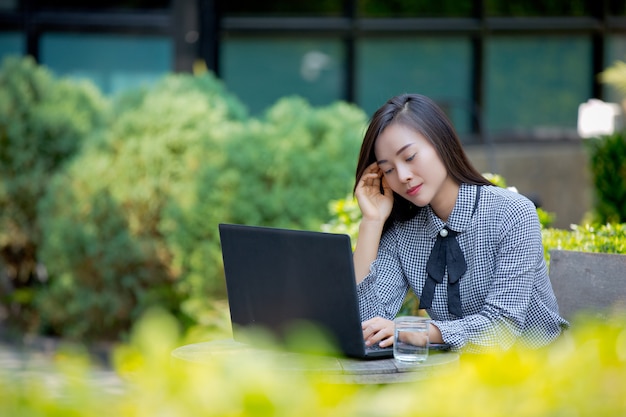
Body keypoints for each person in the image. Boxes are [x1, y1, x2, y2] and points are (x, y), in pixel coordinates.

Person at [353, 93, 568, 353]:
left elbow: (502, 327)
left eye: (409, 157)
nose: (403, 176)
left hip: (540, 372)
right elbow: (365, 324)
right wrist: (372, 221)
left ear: (441, 142)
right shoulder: (405, 230)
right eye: (388, 170)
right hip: (459, 379)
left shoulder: (512, 212)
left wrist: (420, 332)